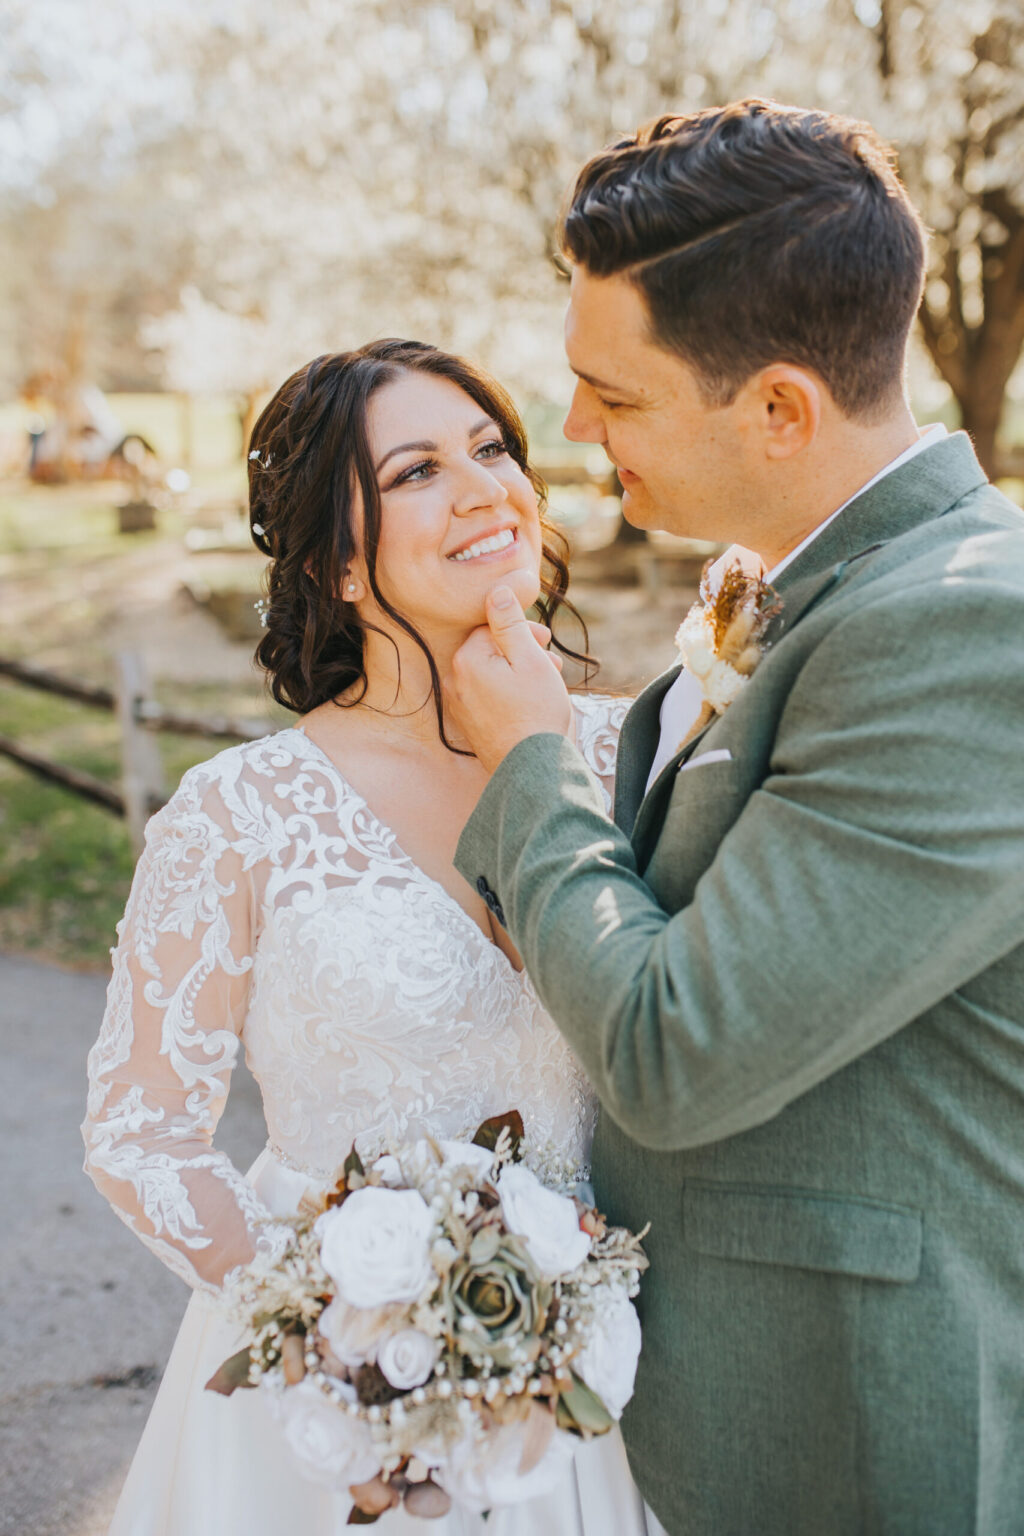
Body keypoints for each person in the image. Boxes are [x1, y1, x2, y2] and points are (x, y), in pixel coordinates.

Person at [447, 101, 1024, 1536]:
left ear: (778, 409)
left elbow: (676, 1048)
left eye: (616, 396)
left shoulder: (963, 631)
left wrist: (531, 763)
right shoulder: (803, 588)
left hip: (854, 1427)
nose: (571, 429)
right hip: (698, 1406)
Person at [82, 340, 664, 1535]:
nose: (484, 487)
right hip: (332, 1416)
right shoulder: (237, 817)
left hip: (605, 1395)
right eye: (416, 472)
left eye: (492, 449)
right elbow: (142, 1136)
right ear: (338, 561)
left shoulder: (639, 758)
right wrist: (335, 1329)